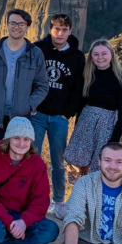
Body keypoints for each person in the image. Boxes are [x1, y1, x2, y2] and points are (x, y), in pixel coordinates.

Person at [0, 117, 59, 244]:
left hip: (21, 216)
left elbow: (41, 199)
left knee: (51, 230)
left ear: (31, 141)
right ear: (8, 138)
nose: (21, 144)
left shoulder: (37, 164)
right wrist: (9, 222)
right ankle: (14, 239)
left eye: (26, 139)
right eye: (16, 138)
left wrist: (24, 222)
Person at [0, 9, 48, 162]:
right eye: (13, 23)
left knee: (17, 164)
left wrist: (28, 105)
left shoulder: (35, 54)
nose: (17, 27)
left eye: (21, 24)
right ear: (7, 24)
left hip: (21, 119)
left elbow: (42, 85)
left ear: (27, 26)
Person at [31, 14, 85, 215]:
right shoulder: (38, 49)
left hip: (59, 118)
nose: (60, 33)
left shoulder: (77, 56)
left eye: (64, 29)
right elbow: (29, 77)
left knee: (58, 161)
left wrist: (67, 113)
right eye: (56, 29)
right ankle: (32, 197)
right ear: (50, 29)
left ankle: (59, 201)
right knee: (32, 158)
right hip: (37, 114)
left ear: (70, 31)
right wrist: (31, 103)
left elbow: (78, 87)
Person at [63, 39, 122, 190]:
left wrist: (115, 138)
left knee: (99, 164)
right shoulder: (87, 76)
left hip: (106, 126)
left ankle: (94, 202)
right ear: (91, 57)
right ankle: (78, 197)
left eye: (104, 54)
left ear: (111, 55)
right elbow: (81, 104)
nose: (100, 57)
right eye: (96, 54)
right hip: (86, 123)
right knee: (80, 164)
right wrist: (77, 128)